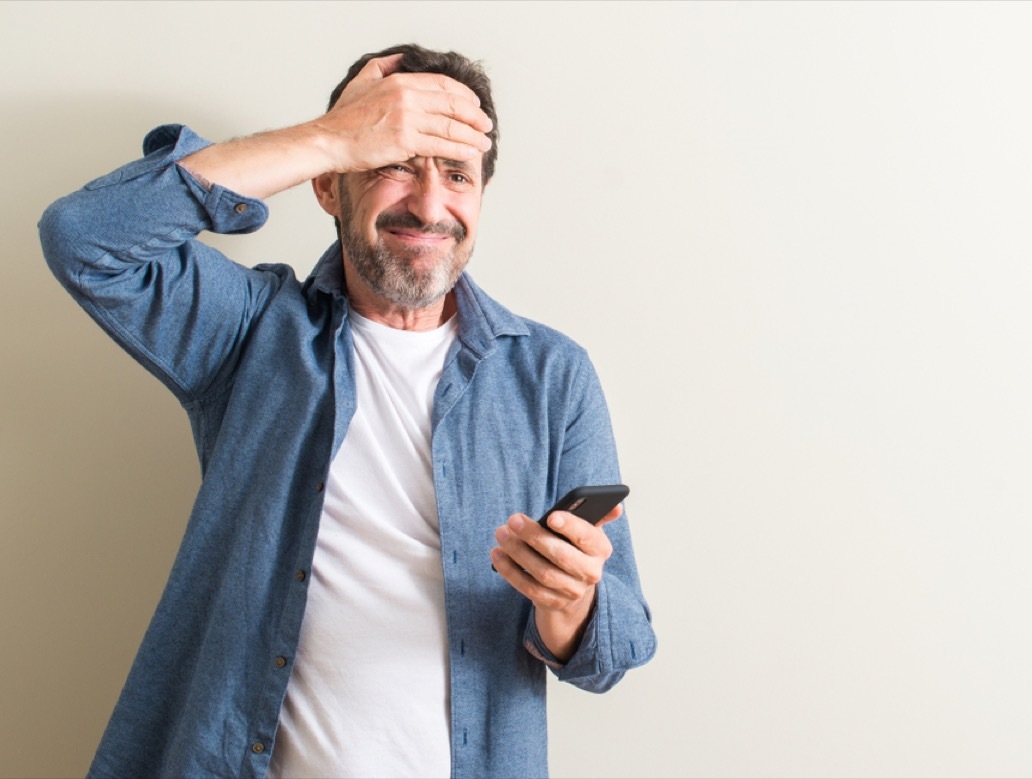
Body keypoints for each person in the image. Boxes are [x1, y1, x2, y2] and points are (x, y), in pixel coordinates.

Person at [38, 43, 656, 778]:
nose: (430, 205)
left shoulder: (552, 375)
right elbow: (85, 238)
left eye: (456, 174)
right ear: (329, 187)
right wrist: (329, 135)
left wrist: (569, 601)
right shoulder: (250, 332)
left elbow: (617, 648)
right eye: (397, 161)